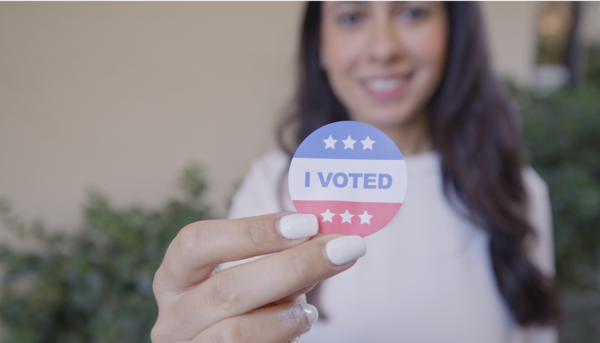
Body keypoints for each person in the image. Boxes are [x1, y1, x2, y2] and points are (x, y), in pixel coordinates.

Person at [151, 2, 558, 342]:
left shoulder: (516, 192)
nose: (383, 48)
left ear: (455, 33)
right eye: (351, 17)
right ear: (320, 47)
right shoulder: (270, 188)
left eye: (413, 12)